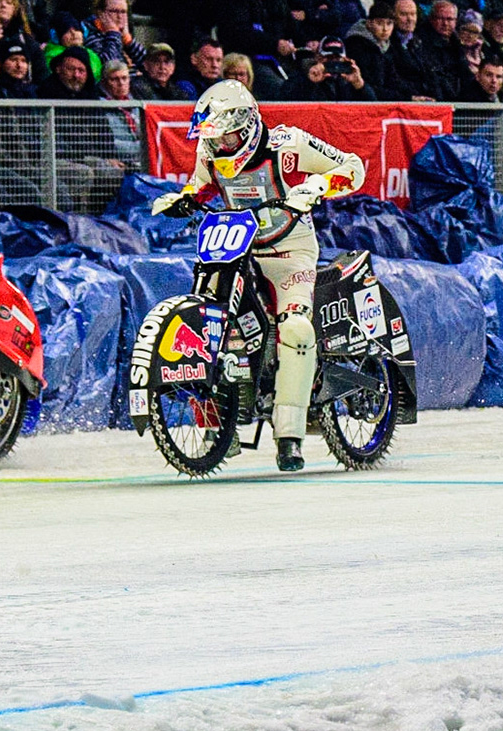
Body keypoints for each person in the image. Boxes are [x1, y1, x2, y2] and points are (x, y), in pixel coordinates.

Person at [149, 81, 366, 472]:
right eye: (214, 137)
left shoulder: (289, 142)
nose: (222, 145)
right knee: (209, 322)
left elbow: (353, 166)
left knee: (297, 328)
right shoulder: (210, 149)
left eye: (228, 136)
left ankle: (290, 434)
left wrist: (317, 186)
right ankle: (219, 426)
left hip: (290, 252)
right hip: (236, 250)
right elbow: (201, 186)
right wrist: (184, 199)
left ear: (247, 124)